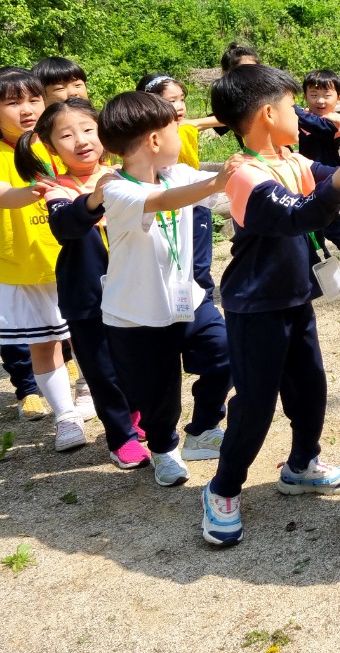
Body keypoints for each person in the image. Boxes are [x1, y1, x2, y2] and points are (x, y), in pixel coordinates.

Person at [199, 65, 340, 547]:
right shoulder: (244, 173)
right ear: (267, 113)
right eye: (292, 106)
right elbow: (303, 213)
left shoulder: (290, 159)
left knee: (310, 389)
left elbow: (337, 181)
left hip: (296, 293)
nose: (300, 115)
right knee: (255, 404)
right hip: (255, 303)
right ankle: (223, 488)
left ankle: (302, 465)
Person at [96, 91, 242, 486]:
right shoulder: (116, 189)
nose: (184, 129)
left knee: (225, 352)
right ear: (155, 141)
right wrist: (217, 178)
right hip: (136, 314)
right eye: (176, 125)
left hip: (187, 299)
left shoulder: (177, 173)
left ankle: (204, 429)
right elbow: (163, 200)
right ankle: (163, 448)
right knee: (158, 394)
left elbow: (222, 193)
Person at [17, 99, 147, 468]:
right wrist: (96, 197)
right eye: (67, 135)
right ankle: (120, 436)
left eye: (89, 129)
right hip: (86, 295)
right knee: (102, 368)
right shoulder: (55, 188)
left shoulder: (126, 173)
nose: (82, 140)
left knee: (137, 359)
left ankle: (135, 415)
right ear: (49, 144)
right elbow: (66, 225)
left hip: (135, 287)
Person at [0, 68, 79, 449]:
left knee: (90, 337)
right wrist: (37, 189)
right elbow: (6, 195)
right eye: (12, 103)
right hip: (24, 266)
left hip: (76, 256)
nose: (26, 110)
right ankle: (66, 418)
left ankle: (92, 394)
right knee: (43, 343)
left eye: (32, 99)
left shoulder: (58, 139)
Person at [137, 74, 218, 297]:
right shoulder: (140, 137)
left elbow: (223, 118)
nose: (180, 106)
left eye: (181, 99)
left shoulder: (185, 127)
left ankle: (203, 306)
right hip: (163, 207)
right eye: (171, 101)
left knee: (199, 265)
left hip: (196, 204)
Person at [296, 69, 340, 262]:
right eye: (313, 95)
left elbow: (319, 127)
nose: (320, 101)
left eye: (327, 96)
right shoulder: (305, 117)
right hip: (309, 180)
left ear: (339, 98)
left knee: (331, 227)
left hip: (331, 180)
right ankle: (325, 263)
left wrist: (291, 108)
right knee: (317, 225)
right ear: (306, 96)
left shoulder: (334, 120)